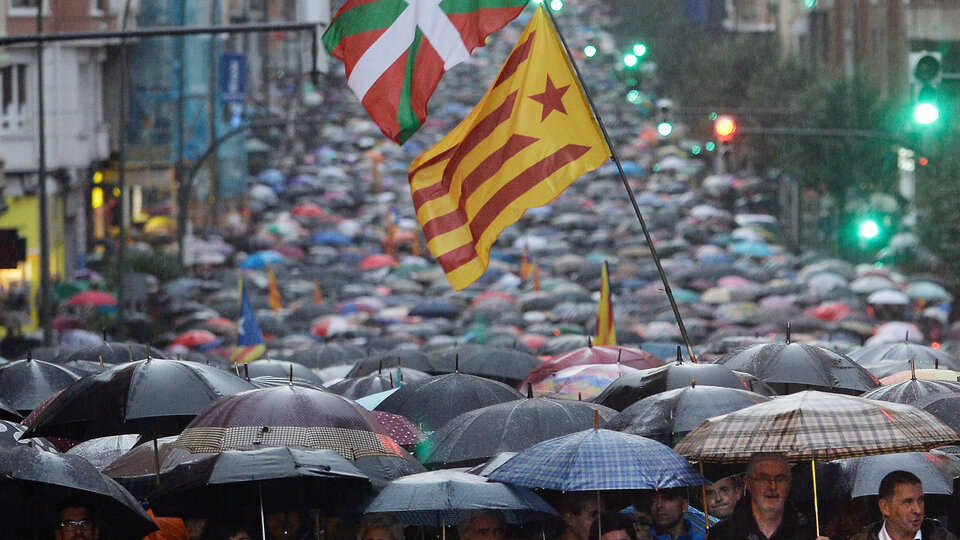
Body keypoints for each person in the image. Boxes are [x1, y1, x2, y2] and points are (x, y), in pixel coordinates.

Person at [706, 452, 827, 540]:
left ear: (788, 483)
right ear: (748, 483)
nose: (772, 486)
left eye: (780, 479)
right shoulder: (722, 534)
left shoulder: (809, 532)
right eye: (764, 479)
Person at [850, 470, 957, 540]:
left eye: (920, 500)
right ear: (885, 507)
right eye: (908, 502)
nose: (918, 510)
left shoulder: (941, 537)